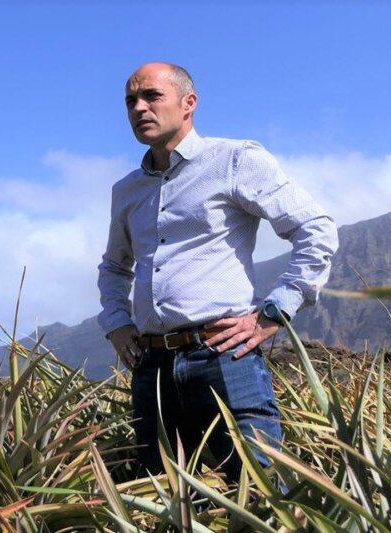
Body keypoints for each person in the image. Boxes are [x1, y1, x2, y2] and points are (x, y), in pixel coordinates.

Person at [97, 63, 338, 481]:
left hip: (224, 356)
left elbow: (314, 229)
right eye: (130, 101)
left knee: (259, 493)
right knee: (162, 503)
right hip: (151, 366)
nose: (139, 108)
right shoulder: (127, 190)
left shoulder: (235, 160)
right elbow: (115, 266)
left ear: (188, 103)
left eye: (152, 96)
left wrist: (274, 313)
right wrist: (116, 322)